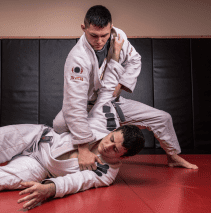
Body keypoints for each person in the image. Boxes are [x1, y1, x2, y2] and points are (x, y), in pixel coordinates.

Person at [0, 57, 145, 209]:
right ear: (114, 131)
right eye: (111, 138)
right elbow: (107, 92)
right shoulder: (107, 122)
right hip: (38, 136)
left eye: (115, 149)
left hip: (40, 167)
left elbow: (77, 182)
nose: (107, 146)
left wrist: (50, 189)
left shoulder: (106, 172)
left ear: (123, 157)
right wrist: (114, 58)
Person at [53, 5, 198, 171]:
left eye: (104, 35)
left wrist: (120, 85)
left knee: (163, 118)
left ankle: (173, 157)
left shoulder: (118, 36)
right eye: (93, 36)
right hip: (87, 106)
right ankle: (64, 157)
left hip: (113, 101)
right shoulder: (77, 58)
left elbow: (134, 60)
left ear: (111, 27)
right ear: (83, 28)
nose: (99, 41)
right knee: (61, 126)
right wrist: (83, 148)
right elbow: (75, 104)